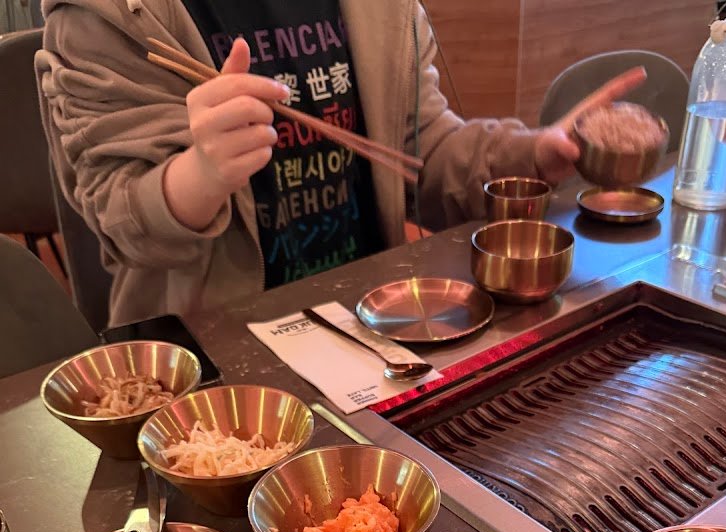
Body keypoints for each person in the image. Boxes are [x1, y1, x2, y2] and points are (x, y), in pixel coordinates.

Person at [37, 0, 645, 325]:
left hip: (370, 324)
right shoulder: (107, 12)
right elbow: (118, 216)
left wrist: (533, 154)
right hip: (214, 356)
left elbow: (423, 152)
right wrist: (202, 174)